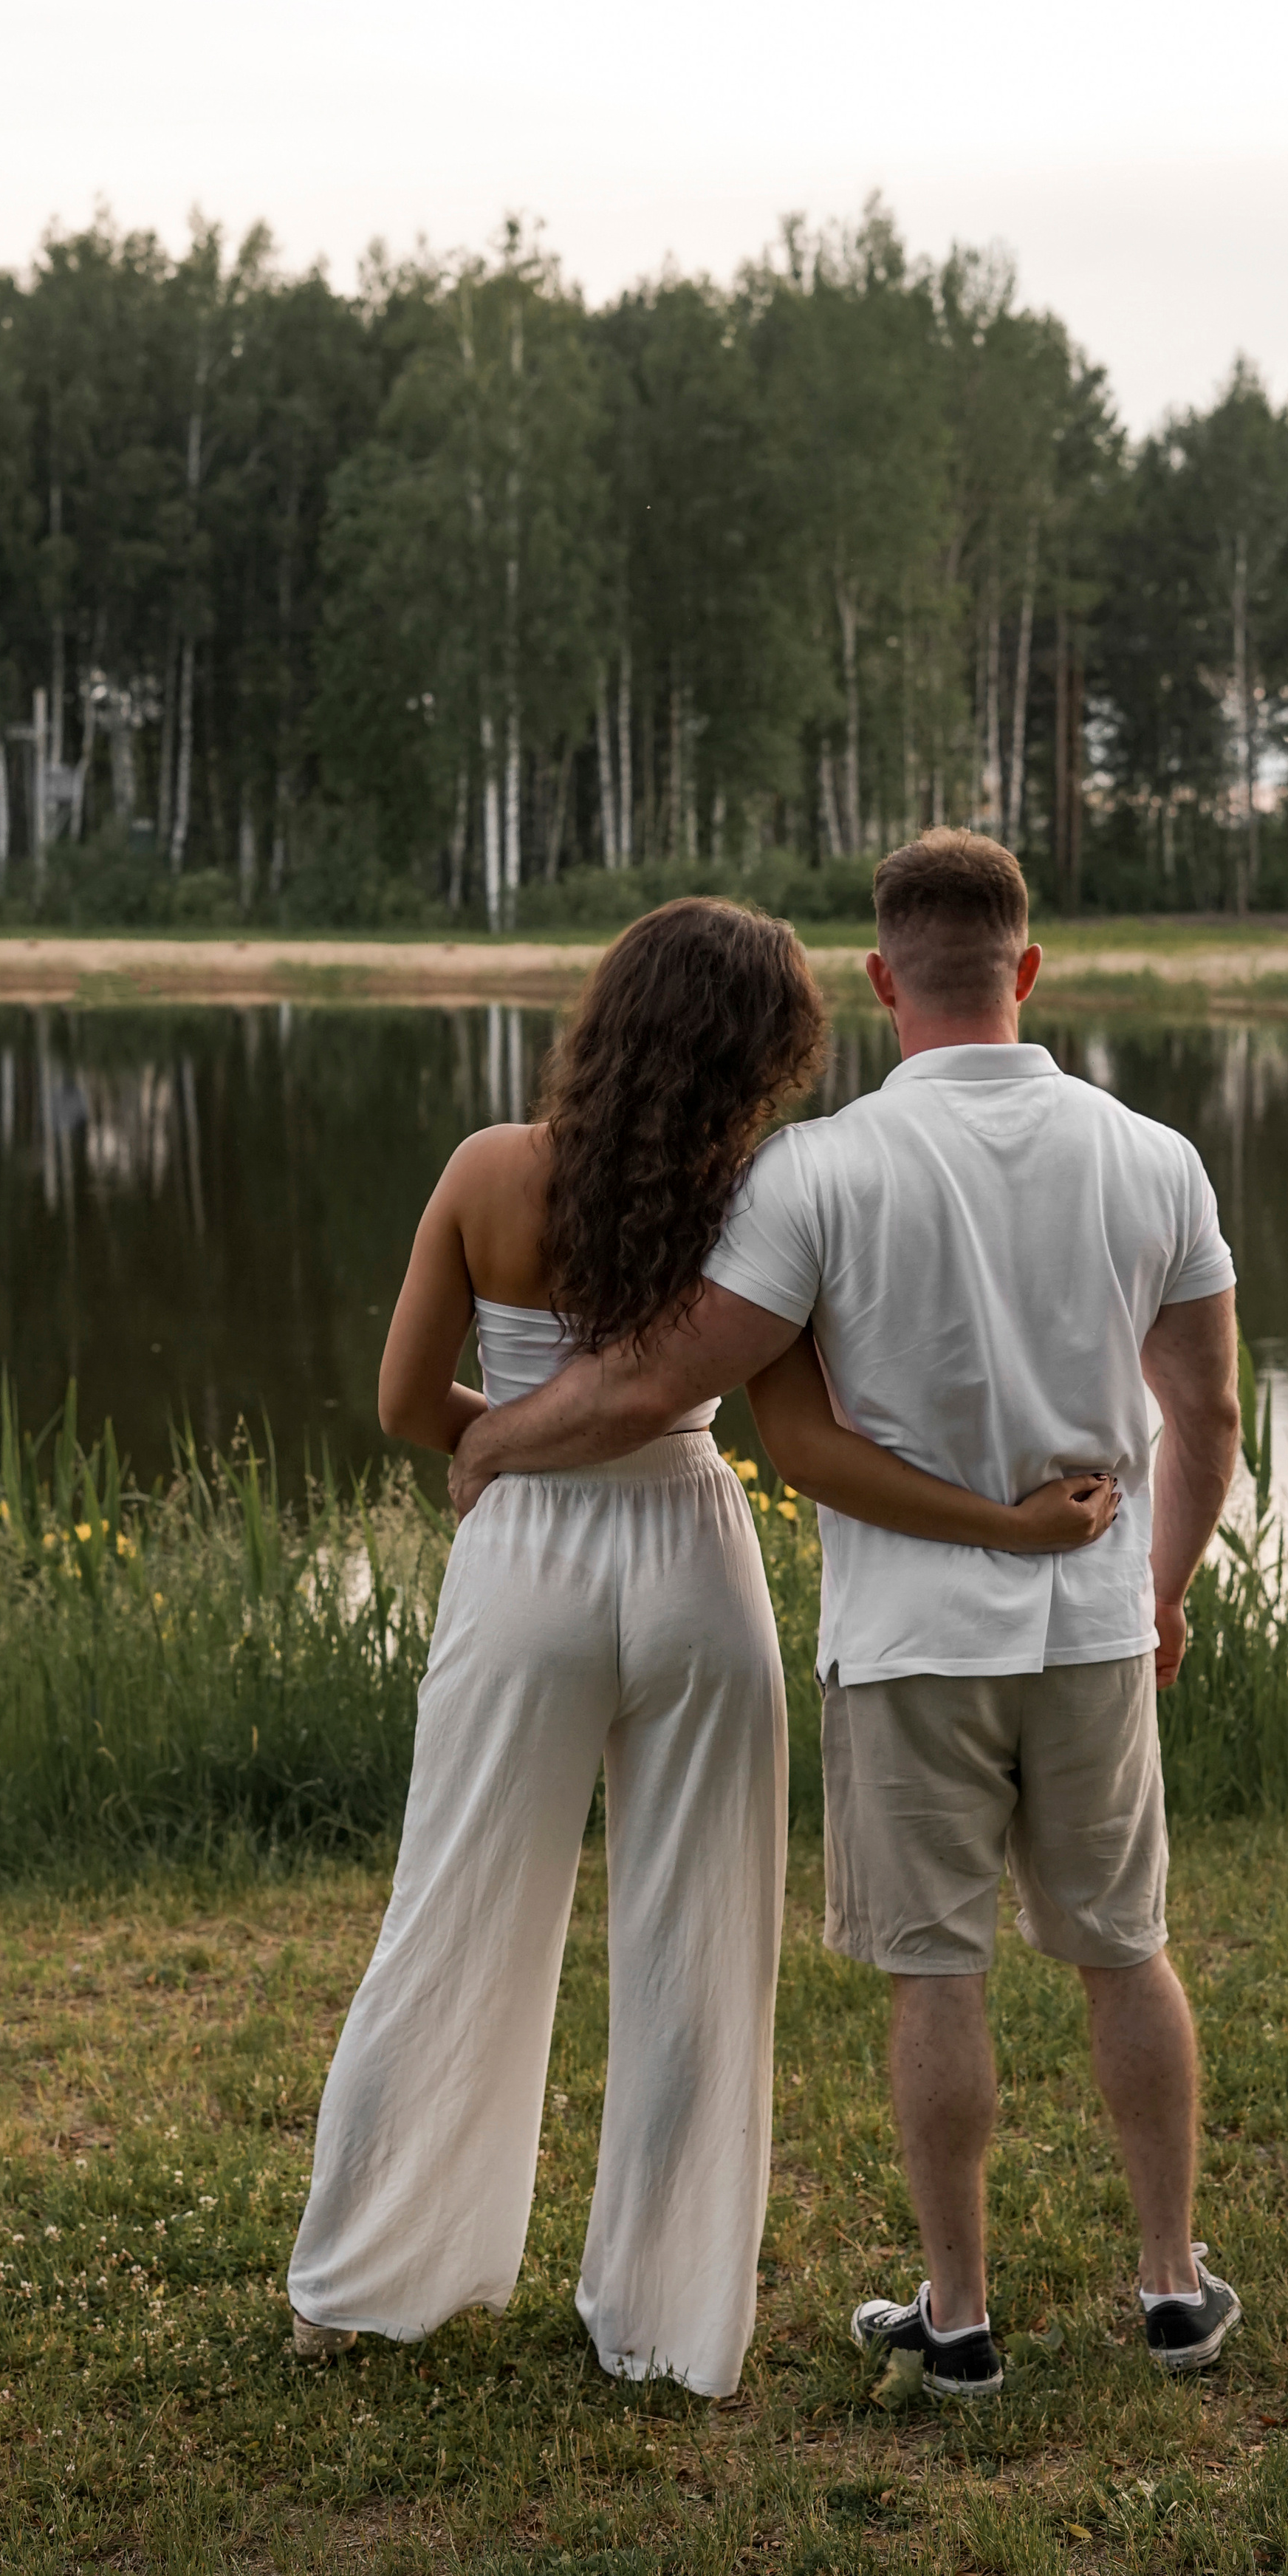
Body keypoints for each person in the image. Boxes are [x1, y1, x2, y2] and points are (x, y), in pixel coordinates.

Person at [286, 895, 1122, 2400]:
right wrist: (999, 1525)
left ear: (609, 1014)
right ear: (767, 1052)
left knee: (451, 1913)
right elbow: (797, 1438)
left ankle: (359, 2285)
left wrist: (503, 1450)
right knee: (694, 1948)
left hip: (524, 1569)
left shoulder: (489, 1171)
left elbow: (411, 1406)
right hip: (690, 1555)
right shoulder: (762, 1197)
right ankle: (662, 2324)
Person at [451, 832, 1245, 2401]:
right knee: (1121, 1949)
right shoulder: (1153, 1155)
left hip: (904, 1653)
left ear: (882, 983)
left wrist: (491, 1439)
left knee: (932, 1976)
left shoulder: (812, 1171)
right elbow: (1207, 1413)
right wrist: (1161, 1586)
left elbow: (662, 1378)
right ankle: (1168, 2288)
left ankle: (957, 2316)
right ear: (1025, 969)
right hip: (1087, 1631)